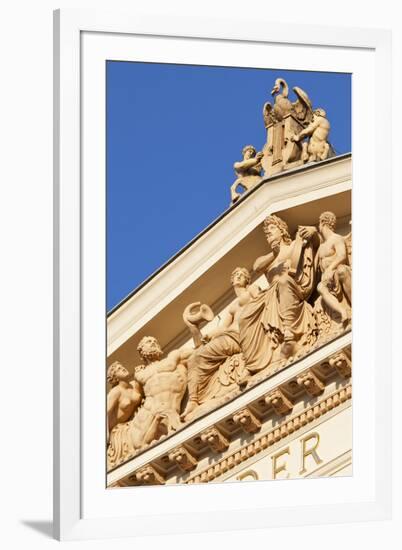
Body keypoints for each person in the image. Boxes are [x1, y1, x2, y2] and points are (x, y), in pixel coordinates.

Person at [239, 214, 318, 369]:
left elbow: (314, 243)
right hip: (269, 295)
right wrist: (274, 254)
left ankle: (289, 333)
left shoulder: (293, 246)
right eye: (266, 232)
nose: (268, 233)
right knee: (244, 317)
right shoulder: (268, 258)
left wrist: (313, 230)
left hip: (293, 288)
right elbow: (257, 267)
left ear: (282, 230)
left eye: (272, 228)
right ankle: (252, 363)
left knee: (283, 281)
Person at [182, 267, 260, 421]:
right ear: (232, 280)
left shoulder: (252, 290)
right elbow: (223, 327)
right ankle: (193, 400)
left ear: (247, 280)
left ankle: (195, 400)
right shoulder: (232, 306)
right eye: (235, 275)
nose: (238, 277)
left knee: (200, 356)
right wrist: (207, 334)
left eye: (242, 275)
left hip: (239, 337)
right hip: (228, 336)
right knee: (193, 359)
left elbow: (261, 302)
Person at [129, 336, 193, 451]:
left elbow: (195, 352)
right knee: (139, 445)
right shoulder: (140, 374)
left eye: (155, 341)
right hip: (150, 414)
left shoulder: (173, 357)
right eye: (149, 342)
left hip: (171, 410)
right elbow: (135, 398)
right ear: (141, 352)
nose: (153, 343)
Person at [315, 211, 352, 323]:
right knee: (320, 287)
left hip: (338, 271)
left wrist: (330, 269)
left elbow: (342, 255)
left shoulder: (336, 238)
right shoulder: (321, 247)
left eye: (319, 224)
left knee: (341, 271)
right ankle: (343, 312)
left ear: (322, 223)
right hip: (328, 278)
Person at [106, 361, 143, 467]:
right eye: (118, 369)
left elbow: (140, 395)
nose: (122, 368)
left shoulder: (132, 386)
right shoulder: (116, 392)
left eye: (122, 366)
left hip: (130, 424)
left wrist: (139, 375)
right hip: (116, 432)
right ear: (115, 378)